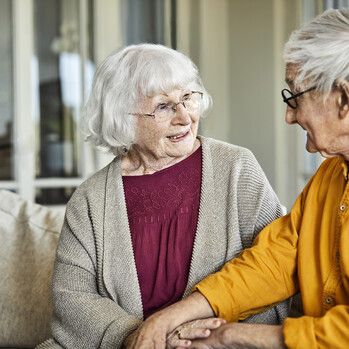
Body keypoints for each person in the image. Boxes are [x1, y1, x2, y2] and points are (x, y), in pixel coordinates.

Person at [36, 44, 288, 349]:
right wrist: (138, 337)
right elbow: (72, 296)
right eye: (163, 107)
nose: (184, 117)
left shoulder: (236, 168)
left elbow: (273, 270)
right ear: (123, 117)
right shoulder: (90, 199)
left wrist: (205, 338)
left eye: (187, 98)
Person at [126, 8, 349, 349]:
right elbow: (278, 258)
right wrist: (176, 315)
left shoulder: (234, 165)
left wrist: (231, 336)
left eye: (295, 96)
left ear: (344, 98)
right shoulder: (330, 176)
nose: (289, 115)